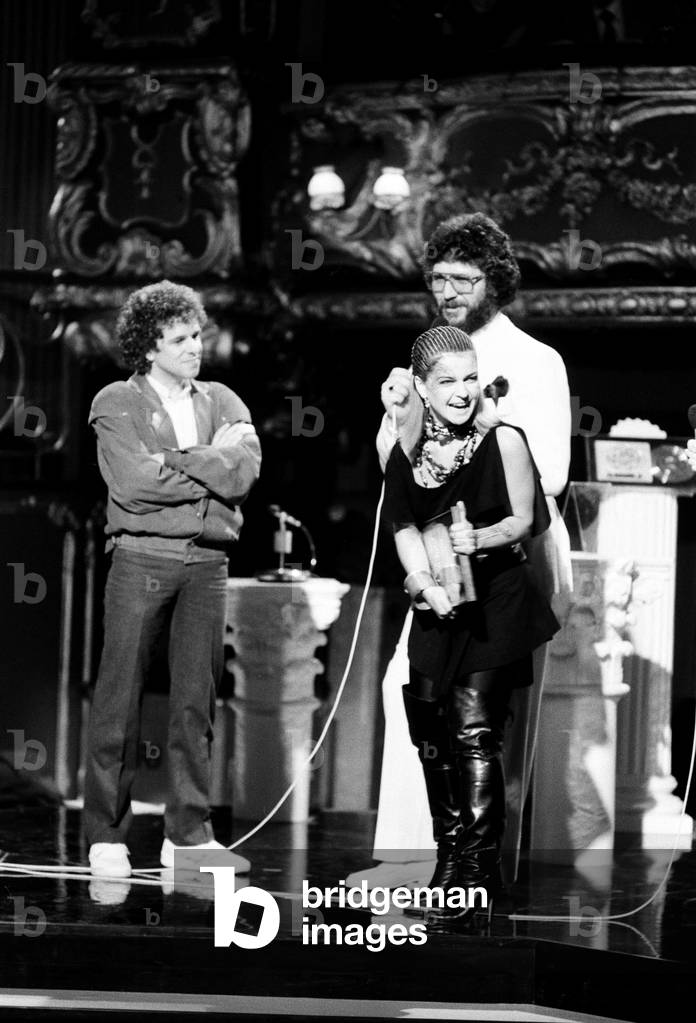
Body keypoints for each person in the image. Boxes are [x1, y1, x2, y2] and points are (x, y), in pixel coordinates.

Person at [350, 212, 571, 890]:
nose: (447, 291)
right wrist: (399, 412)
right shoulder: (422, 360)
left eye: (463, 279)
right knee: (418, 702)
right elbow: (395, 472)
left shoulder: (535, 360)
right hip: (436, 560)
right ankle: (421, 856)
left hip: (505, 557)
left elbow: (550, 471)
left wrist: (477, 444)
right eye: (438, 278)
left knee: (482, 719)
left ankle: (478, 866)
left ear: (494, 282)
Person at [382, 324, 559, 921]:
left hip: (497, 600)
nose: (462, 391)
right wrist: (424, 586)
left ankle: (477, 877)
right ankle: (450, 858)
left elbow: (524, 520)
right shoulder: (406, 451)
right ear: (422, 388)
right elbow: (405, 527)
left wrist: (477, 539)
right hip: (438, 601)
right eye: (448, 381)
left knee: (474, 732)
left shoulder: (503, 439)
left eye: (471, 378)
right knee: (430, 731)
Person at [84, 280, 261, 879]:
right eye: (180, 339)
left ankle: (188, 834)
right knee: (119, 698)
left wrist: (176, 463)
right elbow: (134, 485)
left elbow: (243, 476)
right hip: (141, 559)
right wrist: (211, 462)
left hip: (208, 564)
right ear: (148, 346)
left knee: (195, 704)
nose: (195, 347)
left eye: (197, 335)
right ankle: (107, 835)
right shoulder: (117, 401)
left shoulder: (222, 399)